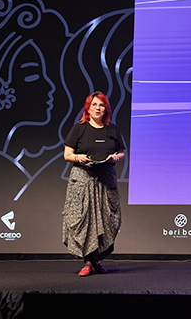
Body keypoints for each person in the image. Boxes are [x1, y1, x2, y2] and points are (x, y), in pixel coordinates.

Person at [62, 91, 125, 277]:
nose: (98, 108)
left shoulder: (112, 130)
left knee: (107, 220)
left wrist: (115, 158)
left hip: (105, 180)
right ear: (87, 108)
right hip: (83, 179)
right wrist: (78, 157)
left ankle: (95, 260)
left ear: (106, 109)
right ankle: (89, 262)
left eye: (102, 105)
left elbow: (121, 153)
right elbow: (67, 154)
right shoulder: (78, 129)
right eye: (94, 105)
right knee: (85, 220)